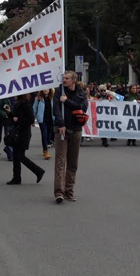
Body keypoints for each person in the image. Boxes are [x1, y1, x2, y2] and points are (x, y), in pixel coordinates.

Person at [53, 70, 88, 204]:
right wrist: (60, 123)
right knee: (60, 162)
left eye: (67, 78)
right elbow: (56, 108)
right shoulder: (59, 91)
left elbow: (82, 108)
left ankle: (69, 191)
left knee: (73, 162)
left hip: (76, 130)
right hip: (62, 130)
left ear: (74, 80)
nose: (64, 80)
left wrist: (67, 101)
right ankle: (59, 192)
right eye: (63, 78)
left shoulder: (81, 93)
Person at [6, 93, 45, 185]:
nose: (13, 96)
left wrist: (18, 120)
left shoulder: (25, 105)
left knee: (20, 156)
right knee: (16, 156)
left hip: (23, 134)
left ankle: (38, 171)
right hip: (18, 133)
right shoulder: (18, 104)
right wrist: (10, 113)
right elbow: (15, 119)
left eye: (15, 94)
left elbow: (31, 119)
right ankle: (16, 177)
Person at [33, 89, 55, 160]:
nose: (46, 90)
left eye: (47, 88)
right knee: (44, 134)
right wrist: (32, 119)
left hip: (50, 119)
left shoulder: (52, 98)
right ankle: (46, 151)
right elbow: (34, 108)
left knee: (48, 134)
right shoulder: (38, 98)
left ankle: (46, 147)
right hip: (42, 119)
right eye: (44, 88)